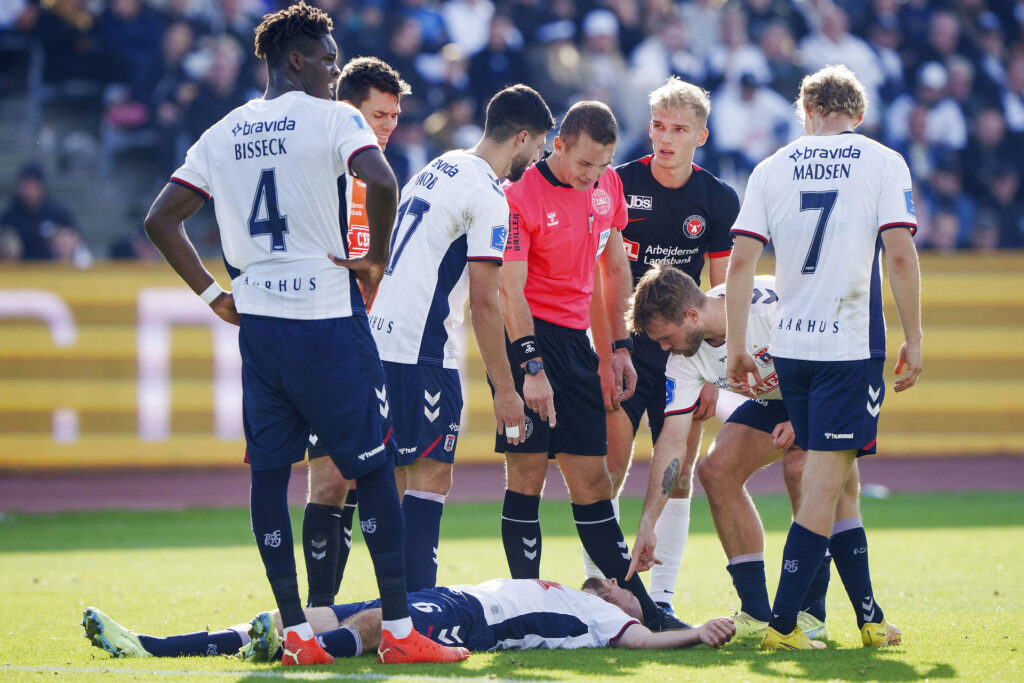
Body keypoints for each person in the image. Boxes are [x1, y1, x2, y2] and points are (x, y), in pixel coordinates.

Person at [142, 2, 468, 666]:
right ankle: (401, 633)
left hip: (258, 322)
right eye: (326, 58)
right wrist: (373, 258)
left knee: (269, 475)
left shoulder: (222, 130)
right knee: (373, 464)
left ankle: (296, 633)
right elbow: (381, 176)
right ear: (294, 58)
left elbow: (160, 219)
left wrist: (213, 294)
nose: (333, 68)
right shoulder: (333, 116)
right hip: (325, 315)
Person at [725, 64, 921, 650]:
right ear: (858, 115)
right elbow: (901, 255)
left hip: (791, 345)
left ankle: (868, 616)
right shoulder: (883, 161)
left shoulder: (770, 167)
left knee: (843, 484)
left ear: (805, 114)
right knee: (821, 485)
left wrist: (737, 346)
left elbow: (740, 263)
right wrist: (916, 335)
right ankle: (785, 627)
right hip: (848, 345)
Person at [496, 100, 681, 632]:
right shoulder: (519, 197)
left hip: (578, 344)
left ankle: (642, 610)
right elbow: (510, 291)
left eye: (602, 165)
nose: (593, 177)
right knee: (528, 474)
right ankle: (523, 607)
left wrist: (617, 346)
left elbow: (614, 269)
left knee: (594, 481)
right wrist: (529, 367)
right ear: (558, 145)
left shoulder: (608, 188)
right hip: (526, 339)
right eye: (584, 165)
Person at [365, 84, 555, 593]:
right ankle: (417, 615)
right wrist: (508, 391)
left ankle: (395, 609)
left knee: (399, 477)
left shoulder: (441, 164)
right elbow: (486, 302)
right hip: (420, 347)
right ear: (520, 138)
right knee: (431, 478)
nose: (539, 157)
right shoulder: (489, 196)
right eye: (538, 145)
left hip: (378, 335)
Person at [623, 264, 858, 643]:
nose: (665, 348)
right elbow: (671, 440)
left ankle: (811, 611)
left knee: (800, 466)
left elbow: (836, 354)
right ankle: (756, 612)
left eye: (667, 337)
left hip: (827, 388)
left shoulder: (768, 308)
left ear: (692, 314)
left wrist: (804, 420)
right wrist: (648, 522)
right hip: (776, 400)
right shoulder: (684, 358)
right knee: (715, 470)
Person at [589, 77, 738, 616]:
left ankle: (664, 597)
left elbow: (720, 289)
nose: (666, 138)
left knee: (676, 480)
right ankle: (602, 588)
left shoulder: (718, 198)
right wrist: (611, 350)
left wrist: (715, 373)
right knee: (609, 467)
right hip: (625, 347)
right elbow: (602, 274)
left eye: (679, 129)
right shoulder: (616, 184)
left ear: (701, 134)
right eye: (658, 125)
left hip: (685, 356)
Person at [302, 55, 411, 610]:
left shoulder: (385, 176)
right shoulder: (322, 167)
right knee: (330, 479)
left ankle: (389, 611)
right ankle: (319, 611)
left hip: (373, 346)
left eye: (393, 115)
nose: (388, 126)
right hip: (326, 342)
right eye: (378, 114)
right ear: (348, 110)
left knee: (367, 476)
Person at [81, 578, 735, 660]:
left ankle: (281, 652)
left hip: (470, 618)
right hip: (454, 594)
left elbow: (646, 637)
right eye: (629, 589)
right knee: (297, 611)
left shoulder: (598, 619)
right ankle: (153, 646)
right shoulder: (583, 590)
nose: (629, 593)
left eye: (631, 594)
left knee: (371, 622)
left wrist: (694, 630)